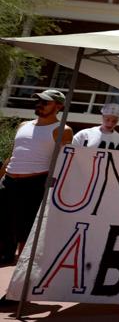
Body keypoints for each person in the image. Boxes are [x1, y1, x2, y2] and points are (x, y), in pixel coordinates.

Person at [0, 89, 73, 263]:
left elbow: (64, 162)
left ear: (59, 106)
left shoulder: (62, 129)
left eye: (45, 102)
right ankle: (5, 259)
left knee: (25, 231)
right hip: (8, 182)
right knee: (3, 227)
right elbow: (13, 154)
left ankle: (20, 275)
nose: (39, 104)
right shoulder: (23, 125)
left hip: (34, 184)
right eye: (38, 100)